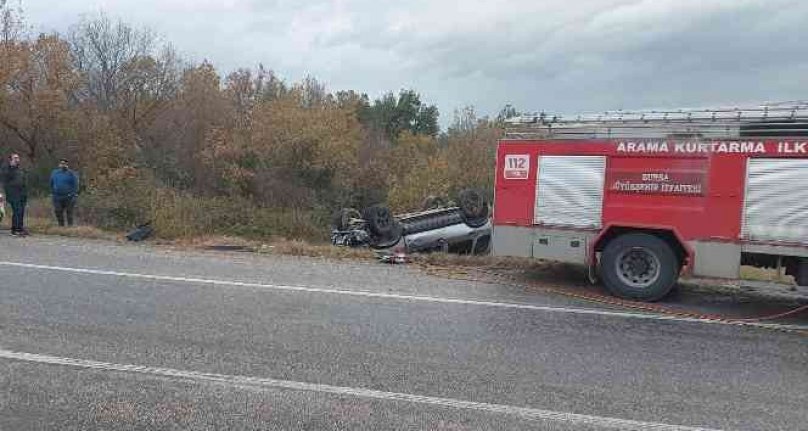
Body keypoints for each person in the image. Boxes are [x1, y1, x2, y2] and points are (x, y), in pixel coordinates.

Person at [1, 153, 29, 236]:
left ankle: (20, 228)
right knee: (17, 211)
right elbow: (4, 178)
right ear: (11, 160)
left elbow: (23, 180)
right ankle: (14, 229)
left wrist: (25, 192)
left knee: (21, 211)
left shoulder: (20, 169)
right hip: (13, 193)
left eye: (18, 158)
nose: (17, 159)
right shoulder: (6, 168)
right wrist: (11, 167)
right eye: (15, 158)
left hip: (22, 193)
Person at [50, 158, 79, 227]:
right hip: (57, 196)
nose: (63, 165)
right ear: (59, 165)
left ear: (67, 165)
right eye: (61, 164)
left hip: (68, 196)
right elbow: (51, 183)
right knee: (58, 211)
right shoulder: (55, 173)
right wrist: (53, 192)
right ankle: (61, 226)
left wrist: (73, 194)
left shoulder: (71, 173)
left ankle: (70, 226)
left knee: (69, 212)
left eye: (64, 164)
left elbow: (75, 185)